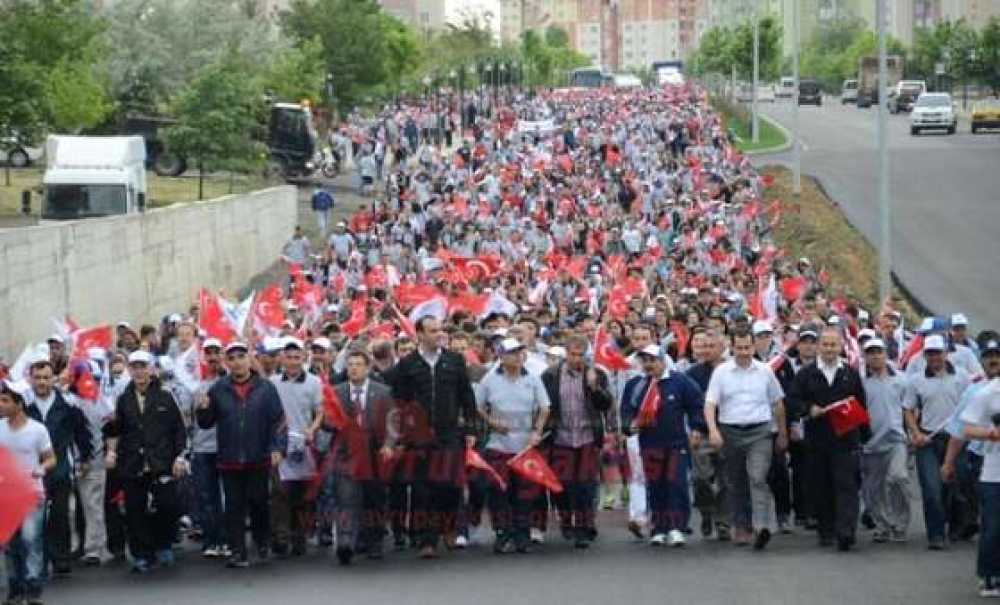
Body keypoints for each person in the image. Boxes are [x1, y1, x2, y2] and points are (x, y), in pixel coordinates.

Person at [386, 316, 477, 559]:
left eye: (440, 330)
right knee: (422, 488)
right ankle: (427, 539)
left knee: (450, 485)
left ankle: (448, 526)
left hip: (449, 432)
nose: (439, 334)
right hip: (419, 435)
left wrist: (470, 429)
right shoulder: (408, 364)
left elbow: (467, 396)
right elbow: (398, 400)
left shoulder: (454, 360)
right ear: (420, 334)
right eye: (433, 330)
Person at [196, 342, 285, 568]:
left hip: (258, 457)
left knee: (258, 502)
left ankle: (261, 540)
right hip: (230, 459)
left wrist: (277, 447)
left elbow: (278, 421)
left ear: (249, 359)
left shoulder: (265, 388)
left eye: (241, 357)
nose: (237, 362)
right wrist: (203, 408)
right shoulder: (218, 389)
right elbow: (206, 423)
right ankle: (238, 550)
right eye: (232, 358)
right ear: (227, 362)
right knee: (233, 507)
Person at [103, 350, 187, 573]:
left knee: (167, 506)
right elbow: (116, 430)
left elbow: (179, 429)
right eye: (135, 367)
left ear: (151, 369)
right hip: (133, 462)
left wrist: (180, 457)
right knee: (134, 510)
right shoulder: (123, 399)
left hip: (162, 461)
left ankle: (164, 544)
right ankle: (142, 554)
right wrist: (111, 451)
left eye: (143, 366)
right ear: (130, 370)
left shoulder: (166, 395)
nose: (139, 371)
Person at [704, 329, 788, 550]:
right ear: (732, 348)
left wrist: (782, 433)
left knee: (758, 477)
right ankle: (741, 525)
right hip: (730, 431)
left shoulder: (765, 371)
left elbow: (778, 403)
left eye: (747, 348)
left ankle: (762, 526)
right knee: (736, 480)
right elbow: (710, 404)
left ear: (753, 347)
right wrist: (713, 430)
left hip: (760, 432)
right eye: (739, 348)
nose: (743, 352)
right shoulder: (721, 372)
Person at [789, 328, 868, 551]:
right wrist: (808, 409)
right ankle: (826, 530)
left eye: (834, 345)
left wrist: (863, 435)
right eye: (825, 344)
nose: (829, 349)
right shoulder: (806, 374)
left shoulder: (850, 373)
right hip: (817, 439)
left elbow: (861, 403)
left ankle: (846, 531)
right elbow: (792, 400)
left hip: (846, 439)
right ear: (818, 346)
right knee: (821, 485)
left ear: (841, 346)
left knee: (846, 484)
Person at [621, 345, 706, 547]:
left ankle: (676, 527)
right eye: (645, 361)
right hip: (649, 443)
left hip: (676, 443)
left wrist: (697, 427)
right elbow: (627, 410)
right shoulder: (636, 385)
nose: (648, 365)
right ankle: (659, 528)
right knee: (655, 485)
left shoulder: (679, 381)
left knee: (676, 484)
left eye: (652, 360)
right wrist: (628, 425)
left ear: (662, 360)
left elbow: (696, 404)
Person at [476, 338, 550, 554]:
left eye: (520, 352)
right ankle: (503, 532)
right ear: (501, 356)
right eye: (512, 353)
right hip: (498, 445)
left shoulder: (533, 378)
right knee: (498, 491)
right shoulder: (489, 379)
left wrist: (537, 431)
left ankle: (522, 533)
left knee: (525, 493)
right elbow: (478, 406)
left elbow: (545, 407)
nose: (518, 357)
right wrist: (492, 422)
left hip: (525, 446)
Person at [541, 333, 613, 549]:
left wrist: (594, 387)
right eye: (573, 354)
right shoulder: (551, 375)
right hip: (560, 438)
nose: (576, 359)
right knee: (562, 485)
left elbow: (605, 404)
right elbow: (544, 405)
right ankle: (566, 520)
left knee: (585, 485)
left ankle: (584, 526)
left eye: (581, 355)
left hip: (586, 437)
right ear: (566, 353)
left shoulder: (596, 374)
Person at [905, 333, 972, 550]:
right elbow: (908, 409)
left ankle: (956, 526)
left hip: (956, 438)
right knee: (931, 488)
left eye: (937, 353)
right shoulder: (916, 380)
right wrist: (916, 433)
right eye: (930, 353)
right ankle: (935, 534)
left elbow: (971, 405)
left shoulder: (962, 376)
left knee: (957, 485)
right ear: (925, 355)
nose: (934, 357)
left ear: (945, 353)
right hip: (928, 441)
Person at [25, 360, 92, 576]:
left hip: (60, 469)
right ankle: (39, 560)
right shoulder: (23, 404)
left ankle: (61, 559)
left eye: (46, 377)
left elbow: (81, 431)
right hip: (32, 472)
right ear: (31, 379)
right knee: (35, 519)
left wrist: (85, 457)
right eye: (38, 378)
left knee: (60, 515)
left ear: (53, 378)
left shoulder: (68, 403)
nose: (42, 382)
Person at [329, 350, 393, 564]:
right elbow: (326, 421)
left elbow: (393, 422)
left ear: (367, 368)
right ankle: (346, 542)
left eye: (358, 364)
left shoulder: (383, 392)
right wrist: (333, 422)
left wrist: (389, 444)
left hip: (374, 454)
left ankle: (374, 542)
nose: (354, 368)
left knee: (373, 499)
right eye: (350, 364)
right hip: (346, 453)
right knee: (345, 498)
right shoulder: (336, 392)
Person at [1, 379, 56, 605]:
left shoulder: (37, 430)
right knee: (8, 543)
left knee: (31, 539)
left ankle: (33, 587)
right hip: (6, 496)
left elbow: (51, 458)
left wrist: (42, 468)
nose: (1, 405)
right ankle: (15, 587)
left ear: (20, 403)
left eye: (6, 401)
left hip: (32, 495)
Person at [269, 338, 324, 558]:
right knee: (279, 491)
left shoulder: (314, 382)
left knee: (302, 494)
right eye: (289, 357)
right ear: (282, 359)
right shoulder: (273, 382)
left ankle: (299, 536)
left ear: (303, 358)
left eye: (297, 357)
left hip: (304, 444)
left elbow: (320, 412)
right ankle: (281, 537)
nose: (293, 362)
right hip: (280, 444)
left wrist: (312, 429)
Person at [859, 338, 911, 543]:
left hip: (896, 440)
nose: (875, 356)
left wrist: (912, 432)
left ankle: (900, 524)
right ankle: (882, 526)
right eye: (870, 353)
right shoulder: (860, 383)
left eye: (878, 352)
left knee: (899, 478)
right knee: (873, 490)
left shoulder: (901, 380)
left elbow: (909, 409)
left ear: (886, 354)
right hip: (870, 443)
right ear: (865, 357)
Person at [958, 373, 1000, 597]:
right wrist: (991, 433)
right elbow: (967, 429)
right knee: (993, 528)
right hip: (995, 474)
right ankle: (989, 575)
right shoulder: (988, 393)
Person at [686, 327, 730, 541]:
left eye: (712, 346)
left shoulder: (732, 371)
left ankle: (723, 521)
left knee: (726, 479)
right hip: (702, 432)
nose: (708, 350)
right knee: (700, 478)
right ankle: (706, 511)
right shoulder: (693, 374)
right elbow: (691, 405)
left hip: (728, 430)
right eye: (705, 346)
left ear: (723, 347)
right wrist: (695, 427)